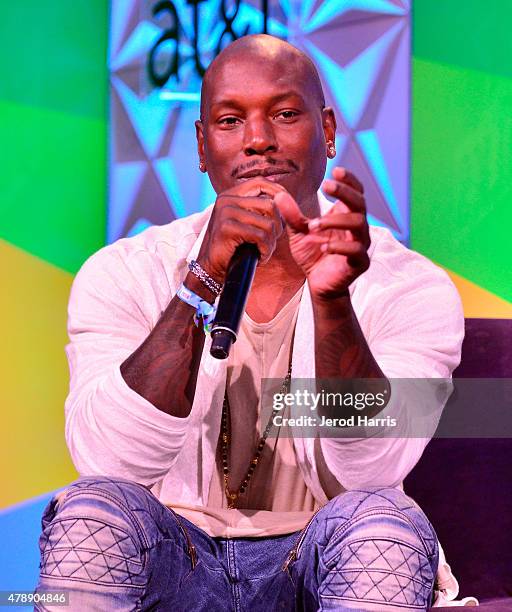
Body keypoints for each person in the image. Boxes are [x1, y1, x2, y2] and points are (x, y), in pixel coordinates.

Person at [35, 35, 465, 610]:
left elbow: (374, 467)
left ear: (329, 131)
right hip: (176, 556)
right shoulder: (123, 273)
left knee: (383, 523)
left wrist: (333, 300)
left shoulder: (409, 287)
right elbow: (108, 461)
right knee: (92, 513)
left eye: (285, 114)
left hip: (320, 559)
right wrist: (200, 283)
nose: (259, 140)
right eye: (230, 120)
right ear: (202, 145)